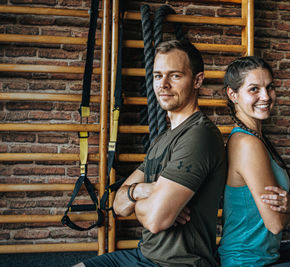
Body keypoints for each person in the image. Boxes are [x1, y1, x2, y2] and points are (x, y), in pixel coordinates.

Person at [76, 39, 227, 266]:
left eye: (174, 76)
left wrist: (140, 197)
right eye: (158, 76)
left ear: (197, 80)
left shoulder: (198, 136)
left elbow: (156, 219)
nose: (163, 84)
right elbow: (117, 205)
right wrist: (145, 190)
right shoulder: (163, 138)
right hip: (143, 255)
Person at [217, 56, 290, 266]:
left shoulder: (261, 140)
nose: (266, 96)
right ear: (233, 94)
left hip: (265, 259)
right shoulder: (246, 144)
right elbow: (275, 223)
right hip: (246, 262)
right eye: (254, 89)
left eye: (270, 87)